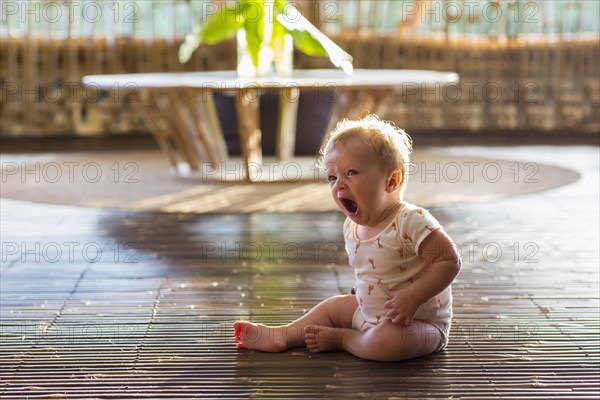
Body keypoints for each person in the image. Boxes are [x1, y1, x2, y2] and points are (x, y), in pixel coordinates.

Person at [233, 114, 461, 361]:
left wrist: (413, 296)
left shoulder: (411, 220)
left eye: (351, 173)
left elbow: (449, 261)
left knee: (388, 342)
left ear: (391, 181)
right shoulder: (351, 226)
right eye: (332, 177)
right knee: (334, 306)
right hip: (369, 313)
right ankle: (284, 334)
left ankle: (344, 339)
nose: (339, 185)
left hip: (416, 325)